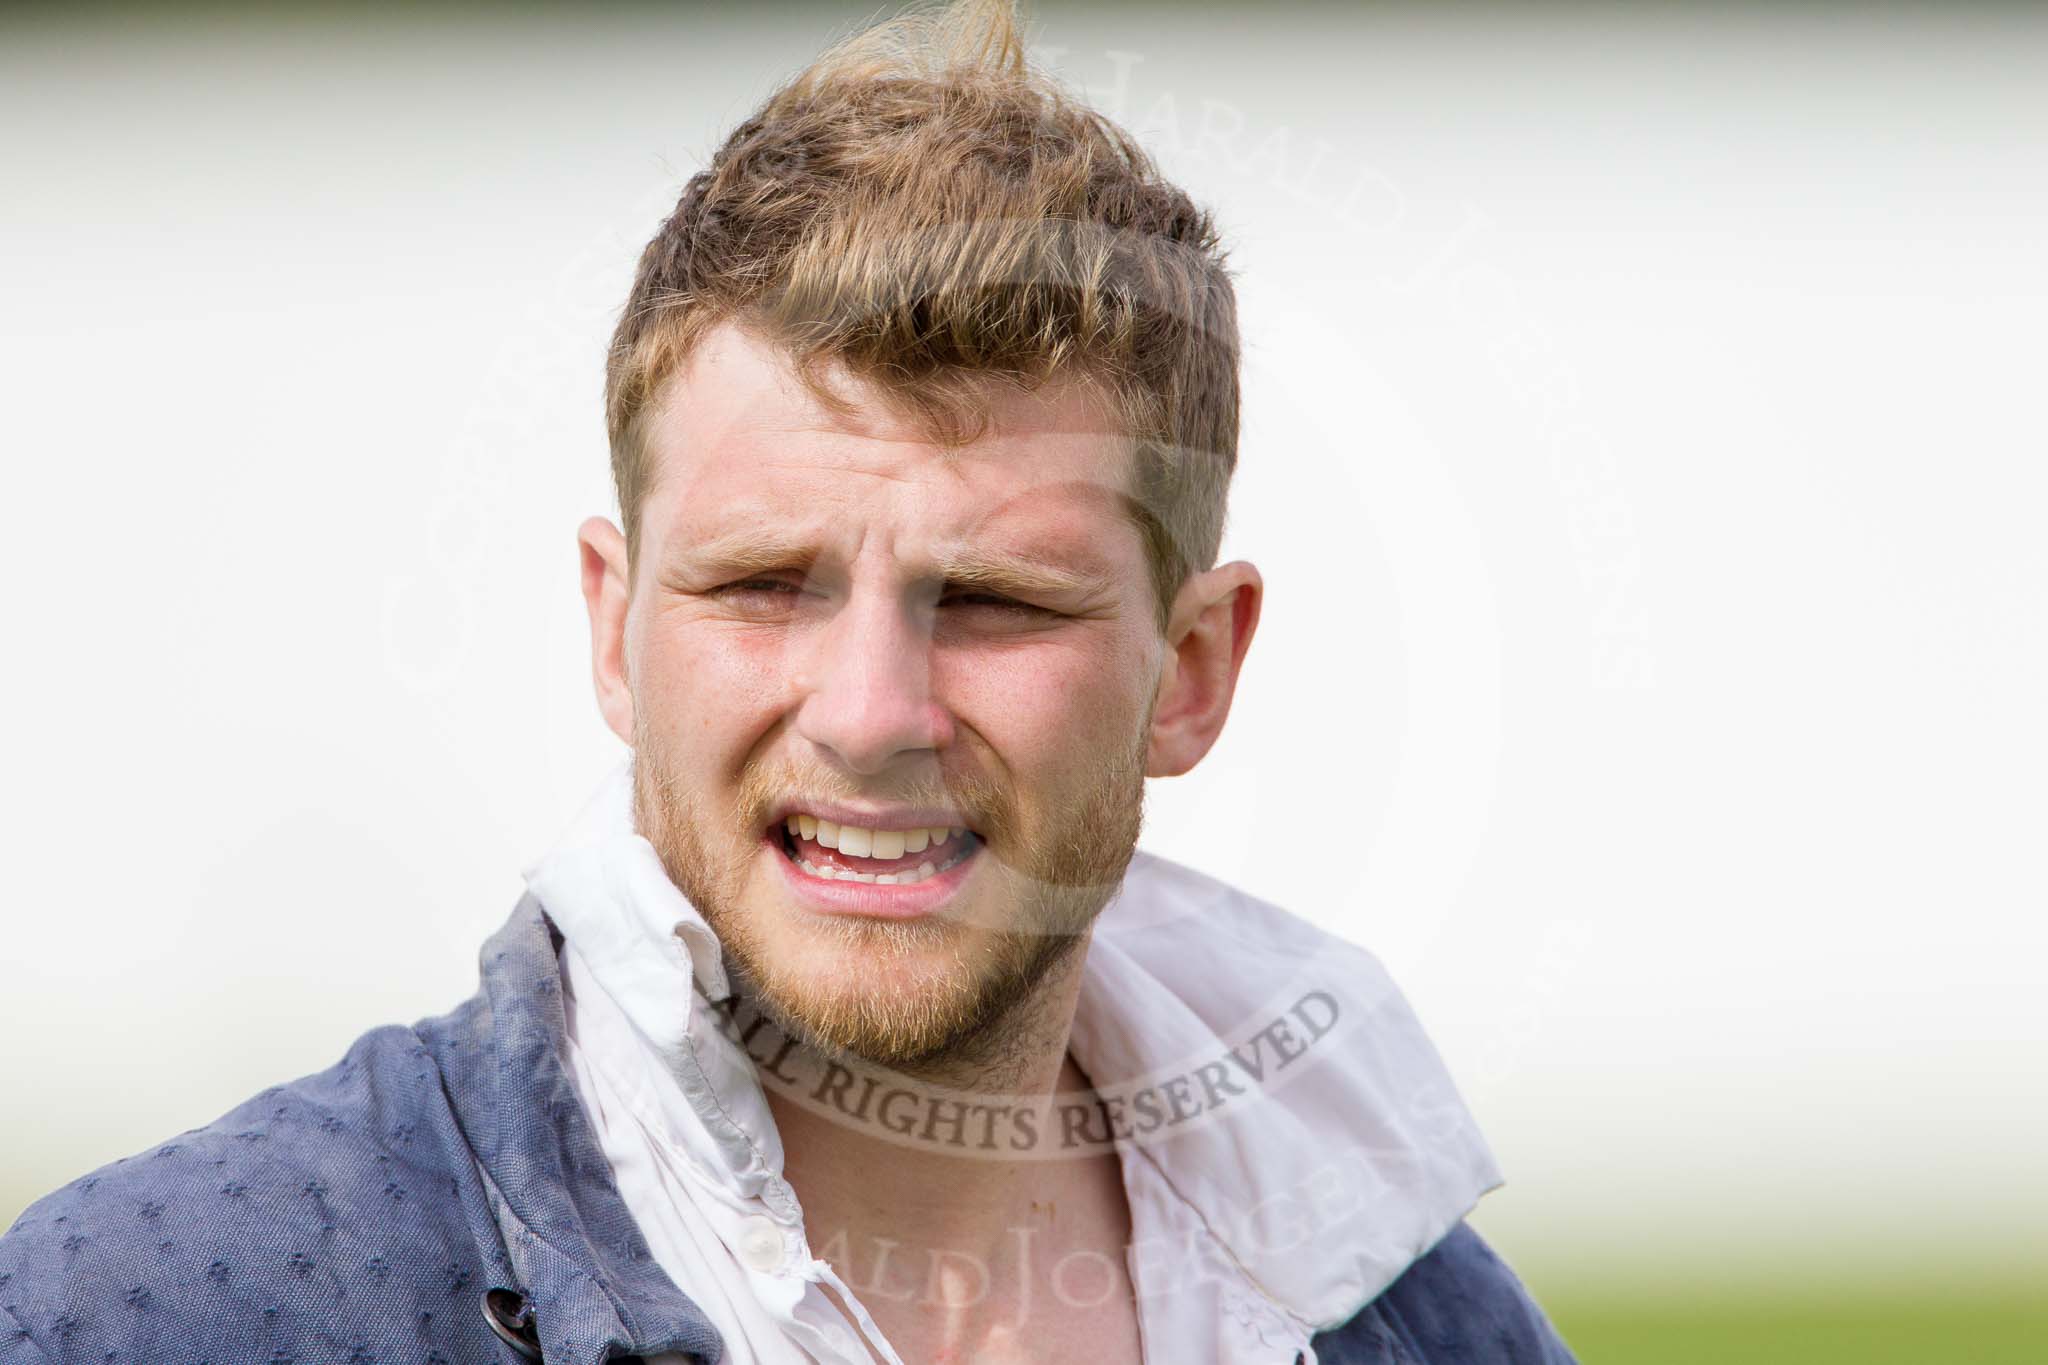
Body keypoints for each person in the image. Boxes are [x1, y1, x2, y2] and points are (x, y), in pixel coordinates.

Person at [0, 2, 1576, 1361]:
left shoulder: (1428, 1327)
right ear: (615, 629)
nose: (871, 714)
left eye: (997, 601)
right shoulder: (157, 1309)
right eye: (763, 585)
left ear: (1192, 670)